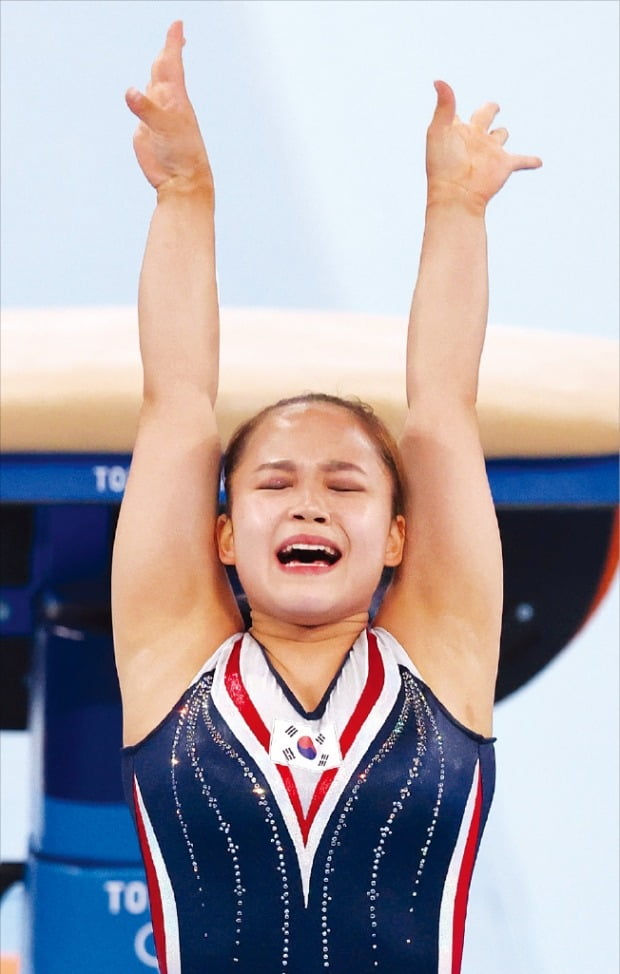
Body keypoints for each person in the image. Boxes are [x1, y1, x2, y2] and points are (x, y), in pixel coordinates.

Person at [113, 20, 541, 974]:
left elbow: (442, 412)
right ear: (223, 535)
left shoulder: (442, 661)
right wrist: (184, 192)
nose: (309, 504)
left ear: (397, 536)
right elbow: (176, 405)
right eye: (275, 482)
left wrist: (456, 210)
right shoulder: (173, 662)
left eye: (344, 483)